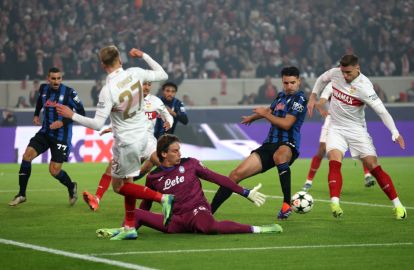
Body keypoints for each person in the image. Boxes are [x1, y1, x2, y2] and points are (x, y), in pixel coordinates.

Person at [56, 46, 175, 240]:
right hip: (143, 136)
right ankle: (129, 227)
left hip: (127, 142)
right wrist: (143, 55)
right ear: (119, 59)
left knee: (119, 186)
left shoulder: (108, 90)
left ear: (103, 65)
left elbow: (96, 124)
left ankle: (162, 198)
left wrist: (72, 115)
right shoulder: (135, 73)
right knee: (128, 181)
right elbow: (162, 73)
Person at [96, 134, 282, 237]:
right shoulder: (153, 177)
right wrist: (132, 224)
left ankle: (257, 229)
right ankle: (122, 231)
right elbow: (146, 206)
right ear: (162, 154)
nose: (179, 153)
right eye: (175, 151)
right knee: (136, 213)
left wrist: (245, 192)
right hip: (174, 221)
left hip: (197, 212)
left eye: (179, 150)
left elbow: (219, 179)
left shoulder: (191, 163)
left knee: (209, 227)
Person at [307, 54, 407, 220]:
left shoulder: (365, 87)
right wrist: (313, 96)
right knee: (334, 159)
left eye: (348, 72)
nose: (345, 76)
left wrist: (395, 132)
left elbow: (382, 111)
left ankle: (398, 205)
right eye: (343, 72)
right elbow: (321, 79)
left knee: (372, 165)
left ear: (357, 68)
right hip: (336, 127)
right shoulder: (336, 73)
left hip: (357, 130)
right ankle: (335, 203)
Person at [211, 66, 308, 220]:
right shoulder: (280, 96)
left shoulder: (300, 100)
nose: (289, 86)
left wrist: (264, 114)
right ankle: (209, 212)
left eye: (292, 83)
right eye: (286, 83)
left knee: (280, 157)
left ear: (299, 81)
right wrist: (253, 117)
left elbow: (287, 124)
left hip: (288, 144)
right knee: (235, 175)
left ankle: (286, 204)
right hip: (269, 144)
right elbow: (269, 111)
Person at [82, 81, 174, 211]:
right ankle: (97, 199)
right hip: (132, 143)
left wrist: (168, 122)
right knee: (121, 182)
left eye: (148, 84)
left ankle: (179, 196)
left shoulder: (155, 101)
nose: (146, 87)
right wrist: (112, 127)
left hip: (148, 142)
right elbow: (122, 120)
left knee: (165, 166)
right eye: (143, 84)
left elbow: (168, 116)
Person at [9, 67, 85, 207]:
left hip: (61, 137)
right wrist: (36, 114)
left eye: (59, 78)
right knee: (27, 156)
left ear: (61, 79)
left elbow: (82, 113)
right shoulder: (44, 89)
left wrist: (62, 122)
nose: (56, 81)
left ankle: (71, 186)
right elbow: (40, 101)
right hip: (45, 133)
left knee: (54, 171)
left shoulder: (69, 93)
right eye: (53, 78)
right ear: (48, 78)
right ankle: (21, 194)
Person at [303, 82, 375, 192]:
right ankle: (308, 181)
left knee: (359, 147)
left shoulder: (355, 87)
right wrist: (321, 109)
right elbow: (318, 101)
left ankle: (367, 175)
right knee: (322, 149)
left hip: (351, 121)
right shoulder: (332, 86)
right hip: (332, 119)